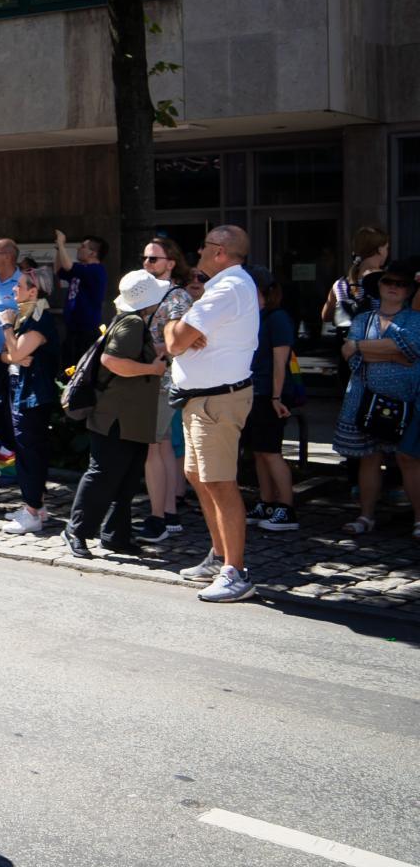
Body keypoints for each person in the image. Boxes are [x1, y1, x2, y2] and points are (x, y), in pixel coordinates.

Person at [164, 225, 260, 603]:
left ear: (219, 251)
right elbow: (182, 339)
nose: (198, 252)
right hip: (202, 399)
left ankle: (235, 571)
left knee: (219, 482)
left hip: (216, 401)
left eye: (203, 247)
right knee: (198, 476)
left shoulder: (227, 288)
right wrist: (185, 328)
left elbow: (172, 341)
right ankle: (220, 556)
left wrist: (177, 325)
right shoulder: (228, 287)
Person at [62, 271, 170, 558]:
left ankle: (115, 535)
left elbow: (133, 353)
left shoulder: (130, 321)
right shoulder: (133, 323)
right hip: (117, 419)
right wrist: (152, 370)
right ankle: (76, 530)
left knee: (124, 478)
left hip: (127, 420)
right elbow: (113, 361)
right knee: (103, 476)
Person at [335, 263, 420, 540]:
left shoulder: (415, 319)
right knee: (368, 458)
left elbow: (409, 351)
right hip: (364, 398)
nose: (394, 286)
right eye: (388, 282)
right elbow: (351, 356)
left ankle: (419, 519)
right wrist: (388, 352)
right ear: (380, 286)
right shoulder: (363, 319)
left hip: (407, 400)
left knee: (408, 459)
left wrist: (362, 347)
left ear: (408, 291)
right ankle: (366, 516)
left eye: (401, 283)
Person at [0, 266, 60, 535]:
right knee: (25, 451)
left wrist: (7, 326)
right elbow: (6, 355)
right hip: (21, 390)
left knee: (30, 453)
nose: (14, 289)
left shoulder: (39, 319)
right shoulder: (28, 317)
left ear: (33, 291)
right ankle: (37, 505)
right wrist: (13, 351)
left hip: (33, 396)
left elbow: (15, 349)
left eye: (19, 286)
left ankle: (32, 511)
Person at [140, 237, 194, 543]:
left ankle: (158, 518)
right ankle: (168, 514)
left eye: (153, 259)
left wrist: (143, 348)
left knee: (154, 448)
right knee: (160, 448)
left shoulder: (176, 298)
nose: (146, 264)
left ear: (170, 263)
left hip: (163, 382)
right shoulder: (156, 294)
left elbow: (181, 343)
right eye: (145, 258)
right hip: (155, 381)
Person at [244, 267, 298, 533]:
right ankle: (266, 501)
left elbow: (280, 361)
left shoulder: (277, 318)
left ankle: (286, 506)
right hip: (253, 392)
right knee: (259, 451)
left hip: (269, 393)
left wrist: (276, 396)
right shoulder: (254, 315)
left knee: (271, 451)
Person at [0, 238, 22, 458]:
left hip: (11, 355)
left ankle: (13, 453)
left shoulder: (23, 283)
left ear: (8, 256)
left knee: (8, 408)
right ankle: (3, 454)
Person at [321, 225, 388, 344]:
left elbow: (326, 316)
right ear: (379, 249)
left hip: (348, 352)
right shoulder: (387, 282)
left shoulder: (340, 284)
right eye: (386, 248)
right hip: (377, 352)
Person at [56, 230, 110, 364]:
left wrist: (62, 244)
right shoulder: (81, 268)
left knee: (83, 369)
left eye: (83, 246)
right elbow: (59, 270)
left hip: (86, 330)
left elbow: (68, 266)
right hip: (73, 328)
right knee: (69, 367)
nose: (79, 248)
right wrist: (58, 248)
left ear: (93, 253)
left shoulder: (96, 270)